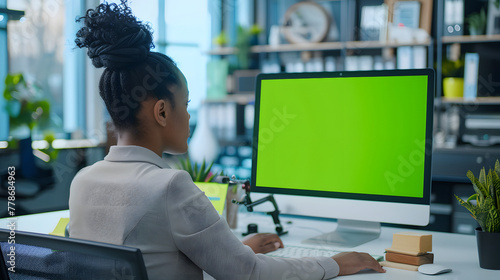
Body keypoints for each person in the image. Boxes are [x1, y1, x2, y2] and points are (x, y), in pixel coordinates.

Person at [68, 1, 386, 279]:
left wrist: (236, 249)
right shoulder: (170, 186)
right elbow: (250, 275)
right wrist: (333, 264)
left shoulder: (83, 181)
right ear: (162, 112)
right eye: (187, 105)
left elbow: (153, 259)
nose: (190, 117)